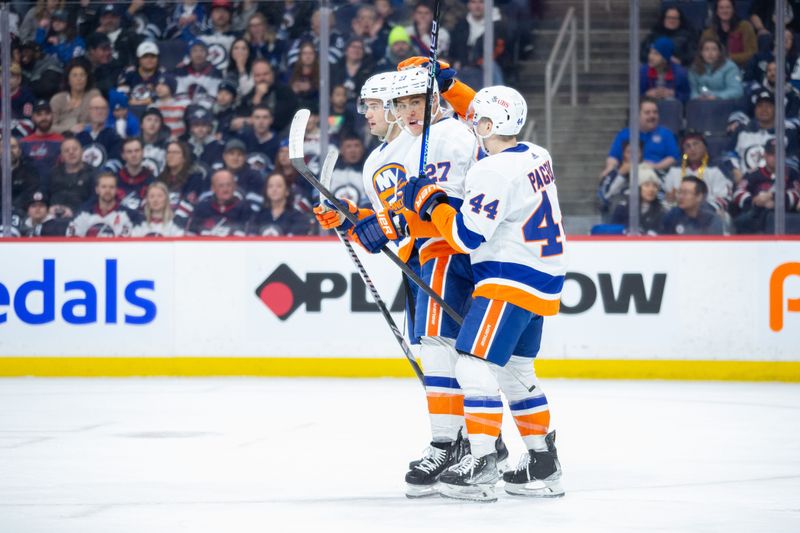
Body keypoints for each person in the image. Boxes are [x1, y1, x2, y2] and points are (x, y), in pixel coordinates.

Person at [401, 86, 566, 501]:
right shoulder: (537, 154)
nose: (471, 123)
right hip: (542, 278)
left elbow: (466, 235)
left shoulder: (490, 172)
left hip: (507, 279)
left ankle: (480, 465)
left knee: (472, 366)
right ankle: (543, 464)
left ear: (491, 124)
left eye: (477, 118)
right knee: (516, 373)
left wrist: (430, 200)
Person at [350, 67, 479, 497]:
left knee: (450, 351)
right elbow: (401, 216)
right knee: (437, 351)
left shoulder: (448, 134)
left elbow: (441, 205)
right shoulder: (382, 160)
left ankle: (461, 443)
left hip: (452, 254)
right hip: (419, 257)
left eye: (374, 104)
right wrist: (355, 220)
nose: (368, 113)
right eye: (398, 104)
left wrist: (451, 84)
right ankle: (461, 440)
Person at [728, 90, 799, 182]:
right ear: (754, 109)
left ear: (776, 109)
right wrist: (735, 169)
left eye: (768, 106)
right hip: (746, 185)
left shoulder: (788, 133)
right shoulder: (742, 131)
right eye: (760, 106)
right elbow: (728, 155)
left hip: (778, 187)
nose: (763, 109)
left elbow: (793, 161)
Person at [601, 97, 680, 178]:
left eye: (655, 112)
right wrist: (609, 169)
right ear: (637, 115)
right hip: (629, 176)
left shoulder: (666, 134)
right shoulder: (624, 134)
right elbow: (613, 157)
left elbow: (673, 158)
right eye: (647, 113)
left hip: (656, 176)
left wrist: (655, 166)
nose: (652, 116)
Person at [733, 138, 800, 233]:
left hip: (784, 216)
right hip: (756, 214)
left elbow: (796, 193)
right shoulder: (753, 174)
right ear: (764, 155)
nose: (776, 158)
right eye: (772, 154)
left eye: (779, 154)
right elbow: (738, 192)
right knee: (739, 222)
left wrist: (773, 198)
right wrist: (754, 201)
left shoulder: (791, 173)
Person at [663, 131, 732, 212]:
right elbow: (665, 197)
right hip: (678, 214)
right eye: (687, 146)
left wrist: (701, 211)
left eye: (696, 144)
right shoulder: (674, 170)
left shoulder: (716, 169)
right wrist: (669, 201)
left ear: (705, 147)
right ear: (684, 152)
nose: (692, 149)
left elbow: (724, 198)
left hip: (709, 214)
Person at [68, 172, 142, 237]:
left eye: (111, 187)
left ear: (116, 190)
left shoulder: (130, 215)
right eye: (104, 187)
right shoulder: (84, 214)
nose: (107, 190)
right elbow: (72, 239)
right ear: (97, 190)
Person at [187, 169, 253, 236]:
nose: (225, 189)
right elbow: (191, 234)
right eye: (221, 186)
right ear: (213, 188)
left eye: (229, 185)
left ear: (234, 186)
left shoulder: (244, 208)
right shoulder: (202, 207)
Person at [157, 140, 209, 225]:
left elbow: (188, 205)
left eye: (175, 153)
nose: (171, 156)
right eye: (169, 152)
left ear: (184, 158)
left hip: (182, 222)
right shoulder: (160, 179)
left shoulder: (194, 178)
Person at [248, 172, 312, 236]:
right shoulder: (258, 216)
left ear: (287, 191)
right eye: (270, 186)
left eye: (279, 186)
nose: (274, 189)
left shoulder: (298, 217)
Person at [610, 167, 669, 235]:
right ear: (638, 188)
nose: (651, 189)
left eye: (655, 186)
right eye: (647, 185)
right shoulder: (623, 208)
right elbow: (614, 234)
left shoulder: (662, 211)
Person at [49, 59, 102, 134]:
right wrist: (69, 129)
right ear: (68, 79)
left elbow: (100, 121)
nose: (79, 79)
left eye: (82, 75)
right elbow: (50, 127)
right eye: (75, 75)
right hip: (63, 139)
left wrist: (86, 127)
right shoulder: (58, 99)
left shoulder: (94, 95)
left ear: (87, 78)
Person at [48, 135, 96, 215]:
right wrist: (48, 208)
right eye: (67, 151)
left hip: (81, 217)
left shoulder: (93, 173)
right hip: (53, 216)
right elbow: (44, 194)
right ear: (62, 155)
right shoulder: (52, 173)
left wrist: (75, 211)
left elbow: (95, 199)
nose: (71, 152)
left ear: (82, 151)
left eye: (75, 149)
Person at [702, 0, 757, 69]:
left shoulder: (745, 27)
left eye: (728, 7)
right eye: (721, 8)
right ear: (716, 11)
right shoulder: (708, 33)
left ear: (733, 10)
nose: (725, 11)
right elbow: (702, 54)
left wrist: (728, 58)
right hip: (715, 69)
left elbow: (752, 53)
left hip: (740, 68)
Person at [689, 37, 744, 101]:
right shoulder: (694, 68)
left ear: (719, 52)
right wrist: (697, 98)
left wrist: (716, 96)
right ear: (701, 53)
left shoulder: (730, 67)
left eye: (714, 49)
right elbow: (692, 91)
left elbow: (737, 91)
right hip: (701, 105)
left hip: (724, 104)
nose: (710, 53)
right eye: (706, 49)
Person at [76, 95, 122, 169]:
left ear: (107, 112)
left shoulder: (114, 137)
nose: (100, 112)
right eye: (96, 108)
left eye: (103, 108)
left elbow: (115, 162)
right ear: (89, 110)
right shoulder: (79, 136)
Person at [640, 36, 690, 104]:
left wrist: (673, 94)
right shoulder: (643, 72)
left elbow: (687, 97)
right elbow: (634, 96)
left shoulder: (680, 73)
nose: (650, 57)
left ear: (665, 59)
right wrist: (646, 95)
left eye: (656, 54)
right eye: (650, 52)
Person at [20, 99, 64, 175]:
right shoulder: (23, 142)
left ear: (52, 115)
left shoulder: (62, 141)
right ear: (33, 117)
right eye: (39, 114)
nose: (44, 118)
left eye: (47, 113)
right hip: (30, 184)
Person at [174, 39, 223, 106]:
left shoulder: (215, 73)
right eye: (194, 51)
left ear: (207, 54)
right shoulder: (180, 72)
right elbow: (179, 96)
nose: (198, 54)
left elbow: (213, 96)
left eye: (202, 50)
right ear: (189, 55)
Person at [117, 41, 165, 108]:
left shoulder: (163, 74)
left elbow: (166, 95)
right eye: (145, 57)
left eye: (153, 56)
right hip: (130, 109)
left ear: (158, 58)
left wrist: (153, 99)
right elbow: (120, 92)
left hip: (155, 109)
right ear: (138, 59)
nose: (149, 59)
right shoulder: (129, 72)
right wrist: (128, 100)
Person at [117, 137, 155, 211]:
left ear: (143, 152)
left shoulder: (152, 181)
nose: (134, 155)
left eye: (137, 151)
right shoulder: (114, 181)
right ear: (123, 155)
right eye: (129, 152)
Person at [200, 0, 237, 71]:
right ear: (211, 14)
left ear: (230, 15)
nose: (221, 14)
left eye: (224, 11)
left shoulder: (237, 39)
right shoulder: (201, 38)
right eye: (217, 11)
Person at [6, 136, 40, 210]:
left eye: (13, 147)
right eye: (4, 147)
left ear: (19, 151)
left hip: (21, 212)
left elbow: (29, 194)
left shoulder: (30, 171)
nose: (9, 150)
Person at [140, 107, 170, 175]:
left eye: (156, 120)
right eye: (149, 120)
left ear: (160, 126)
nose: (152, 123)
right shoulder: (133, 145)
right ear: (141, 125)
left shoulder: (167, 146)